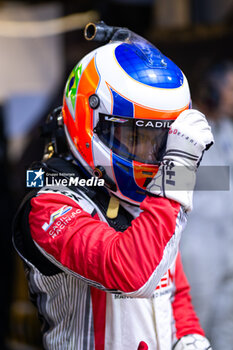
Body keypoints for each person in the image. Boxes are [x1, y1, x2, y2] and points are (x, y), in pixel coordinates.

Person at [13, 23, 214, 350]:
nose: (151, 155)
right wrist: (178, 169)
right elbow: (132, 273)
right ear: (89, 121)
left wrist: (190, 337)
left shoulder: (149, 204)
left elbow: (173, 288)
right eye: (135, 137)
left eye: (162, 141)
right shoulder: (50, 206)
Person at [180, 61, 233, 350]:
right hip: (198, 253)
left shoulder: (227, 129)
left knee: (228, 331)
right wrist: (223, 177)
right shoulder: (187, 128)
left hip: (228, 249)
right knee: (194, 329)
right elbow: (170, 179)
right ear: (213, 91)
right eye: (231, 89)